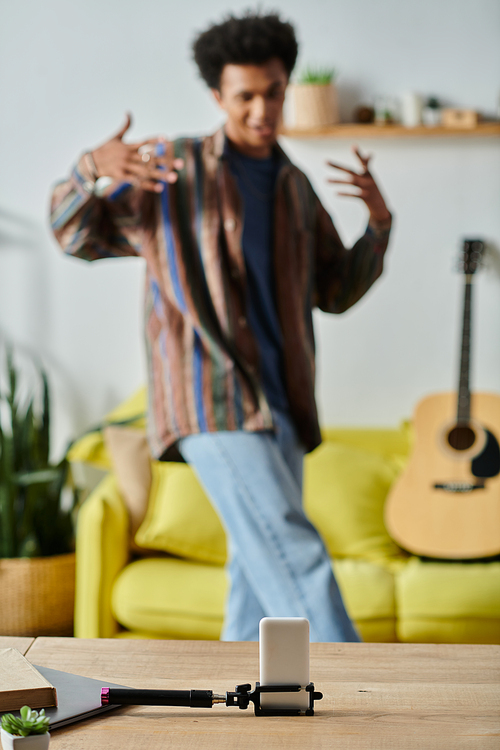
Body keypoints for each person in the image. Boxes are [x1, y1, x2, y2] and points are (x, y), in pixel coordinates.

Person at [50, 11, 392, 643]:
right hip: (209, 399)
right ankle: (372, 706)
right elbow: (76, 236)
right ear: (217, 97)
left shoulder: (294, 187)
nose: (263, 109)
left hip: (282, 406)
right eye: (246, 96)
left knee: (256, 577)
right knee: (297, 554)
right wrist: (90, 171)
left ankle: (238, 718)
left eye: (274, 92)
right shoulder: (173, 169)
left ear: (287, 86)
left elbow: (335, 291)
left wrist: (376, 227)